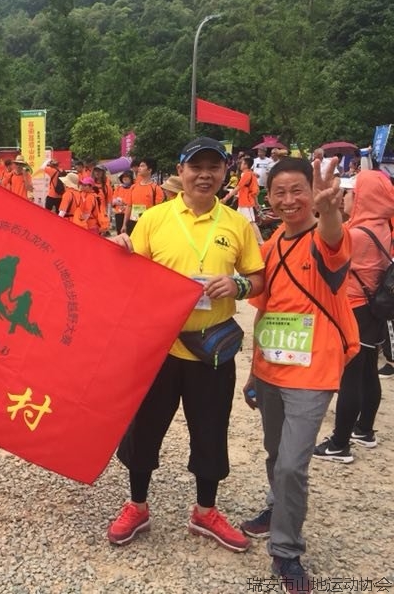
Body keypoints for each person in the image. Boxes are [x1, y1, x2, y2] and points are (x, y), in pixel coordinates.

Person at [106, 137, 265, 553]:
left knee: (210, 431)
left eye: (214, 167)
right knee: (144, 430)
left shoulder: (236, 224)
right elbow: (128, 272)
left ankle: (205, 511)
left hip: (211, 350)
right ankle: (137, 505)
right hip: (158, 348)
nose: (205, 175)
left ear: (225, 173)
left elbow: (258, 278)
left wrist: (238, 284)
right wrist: (120, 249)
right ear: (181, 171)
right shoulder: (155, 218)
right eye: (196, 167)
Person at [239, 157, 359, 594]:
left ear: (312, 192)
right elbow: (265, 309)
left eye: (298, 191)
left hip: (314, 371)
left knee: (292, 464)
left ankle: (286, 550)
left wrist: (329, 211)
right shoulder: (271, 246)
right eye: (279, 192)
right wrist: (253, 371)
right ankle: (276, 509)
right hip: (271, 369)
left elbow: (333, 239)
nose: (288, 200)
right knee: (276, 453)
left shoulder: (327, 237)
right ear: (268, 198)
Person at [312, 168, 394, 462]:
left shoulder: (356, 234)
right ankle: (365, 430)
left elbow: (318, 250)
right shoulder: (382, 226)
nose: (345, 197)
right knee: (369, 369)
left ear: (363, 198)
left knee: (350, 376)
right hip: (373, 309)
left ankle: (339, 443)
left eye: (350, 193)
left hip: (354, 308)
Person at [222, 157, 264, 245]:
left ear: (245, 165)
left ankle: (261, 242)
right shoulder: (249, 174)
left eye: (242, 163)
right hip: (243, 202)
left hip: (246, 203)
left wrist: (226, 198)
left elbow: (238, 188)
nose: (240, 165)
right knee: (237, 220)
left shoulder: (247, 175)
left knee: (251, 223)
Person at [121, 158, 163, 235]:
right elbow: (129, 206)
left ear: (149, 170)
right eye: (139, 166)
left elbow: (159, 210)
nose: (139, 168)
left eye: (142, 166)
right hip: (133, 223)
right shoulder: (133, 187)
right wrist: (124, 224)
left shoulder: (156, 189)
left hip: (148, 224)